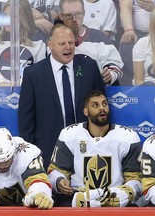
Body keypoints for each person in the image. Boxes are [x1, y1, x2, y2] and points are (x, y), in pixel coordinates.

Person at [18, 23, 105, 169]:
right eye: (62, 43)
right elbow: (26, 119)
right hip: (48, 150)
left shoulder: (89, 67)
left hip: (87, 148)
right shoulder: (34, 74)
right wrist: (31, 154)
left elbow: (101, 108)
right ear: (50, 45)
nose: (68, 47)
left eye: (71, 43)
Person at [47, 90, 142, 207]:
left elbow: (136, 179)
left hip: (114, 198)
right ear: (86, 111)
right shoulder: (69, 135)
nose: (102, 108)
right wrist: (59, 181)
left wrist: (124, 194)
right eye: (95, 105)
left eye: (104, 104)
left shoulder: (128, 137)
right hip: (79, 198)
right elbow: (54, 171)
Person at [0, 128, 54, 209]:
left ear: (13, 153)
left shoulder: (28, 154)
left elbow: (38, 180)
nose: (2, 166)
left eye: (6, 161)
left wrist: (37, 194)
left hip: (30, 208)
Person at [0, 0, 46, 86]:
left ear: (24, 17)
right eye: (5, 16)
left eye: (13, 16)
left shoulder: (38, 41)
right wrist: (1, 84)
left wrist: (21, 85)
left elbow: (40, 71)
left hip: (27, 92)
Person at [58, 0, 123, 86]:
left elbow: (114, 63)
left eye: (78, 14)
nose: (74, 19)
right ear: (61, 16)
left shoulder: (99, 37)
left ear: (84, 13)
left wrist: (109, 74)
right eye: (69, 15)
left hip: (94, 91)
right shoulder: (54, 40)